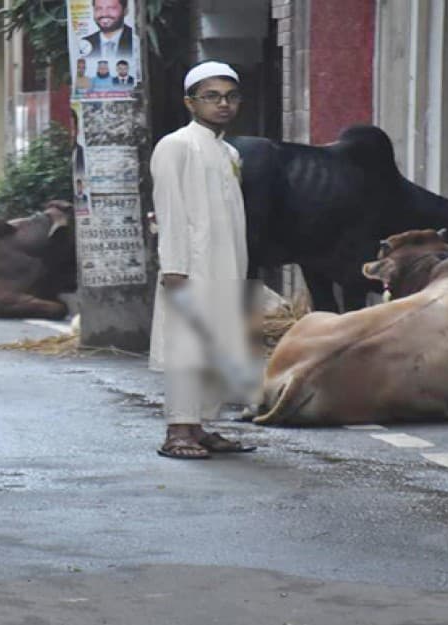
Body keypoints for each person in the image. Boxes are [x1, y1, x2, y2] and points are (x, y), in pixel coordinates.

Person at [149, 61, 256, 460]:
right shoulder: (175, 145)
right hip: (190, 263)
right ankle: (178, 431)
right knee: (186, 347)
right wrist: (175, 267)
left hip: (227, 258)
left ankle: (199, 428)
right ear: (190, 103)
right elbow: (171, 210)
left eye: (230, 96)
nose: (223, 104)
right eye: (212, 96)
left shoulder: (228, 150)